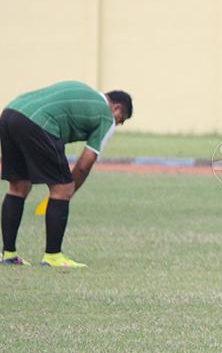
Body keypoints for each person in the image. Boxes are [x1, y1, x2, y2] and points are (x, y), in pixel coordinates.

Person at [0, 80, 132, 268]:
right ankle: (53, 256)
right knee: (62, 188)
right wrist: (67, 192)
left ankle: (9, 254)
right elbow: (84, 165)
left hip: (9, 114)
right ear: (117, 107)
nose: (117, 123)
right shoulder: (106, 116)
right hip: (38, 123)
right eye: (121, 119)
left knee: (18, 187)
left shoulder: (83, 91)